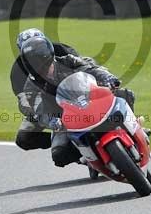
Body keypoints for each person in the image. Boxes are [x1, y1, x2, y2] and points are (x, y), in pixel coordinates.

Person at [16, 33, 133, 168]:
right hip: (63, 118)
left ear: (49, 50)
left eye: (40, 52)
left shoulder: (68, 60)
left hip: (88, 99)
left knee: (125, 94)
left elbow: (91, 68)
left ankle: (133, 126)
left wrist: (108, 78)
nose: (38, 60)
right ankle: (86, 157)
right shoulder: (31, 84)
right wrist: (51, 120)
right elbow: (36, 107)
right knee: (59, 155)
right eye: (32, 58)